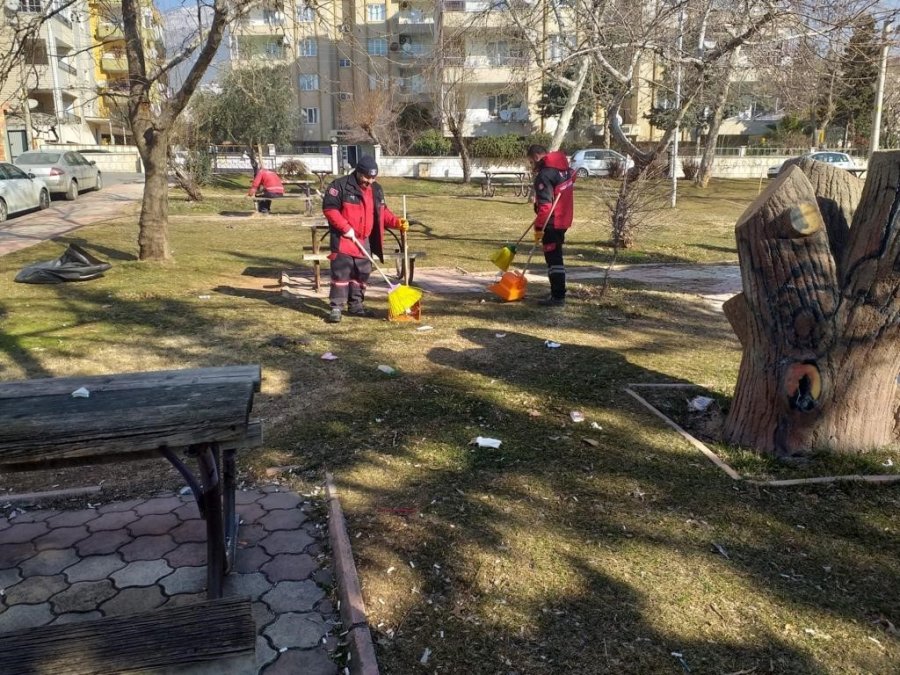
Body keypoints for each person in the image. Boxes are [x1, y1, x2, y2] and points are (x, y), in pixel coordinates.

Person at [322, 155, 408, 323]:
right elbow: (330, 209)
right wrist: (345, 228)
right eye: (367, 177)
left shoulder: (376, 189)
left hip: (364, 240)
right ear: (358, 173)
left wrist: (397, 222)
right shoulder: (340, 186)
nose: (370, 181)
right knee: (342, 273)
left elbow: (382, 214)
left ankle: (356, 306)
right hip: (344, 239)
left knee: (361, 274)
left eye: (373, 177)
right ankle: (336, 308)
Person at [527, 144, 576, 307]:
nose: (532, 165)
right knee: (556, 256)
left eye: (531, 161)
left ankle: (558, 297)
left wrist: (539, 227)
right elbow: (574, 176)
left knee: (553, 259)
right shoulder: (565, 170)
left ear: (535, 157)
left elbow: (546, 206)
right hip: (564, 219)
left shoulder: (545, 175)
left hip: (552, 222)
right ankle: (556, 291)